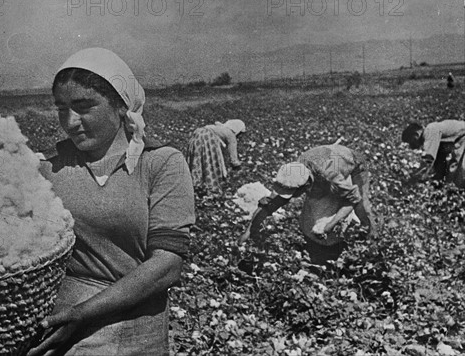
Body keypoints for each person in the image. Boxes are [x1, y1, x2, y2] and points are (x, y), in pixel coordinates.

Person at [27, 48, 196, 356]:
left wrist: (83, 313)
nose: (70, 122)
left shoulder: (160, 164)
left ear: (120, 106)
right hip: (63, 336)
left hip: (134, 335)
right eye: (61, 108)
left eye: (83, 107)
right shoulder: (48, 170)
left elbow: (167, 265)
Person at [238, 144, 376, 265]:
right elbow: (271, 203)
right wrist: (249, 231)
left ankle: (371, 240)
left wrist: (328, 227)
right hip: (326, 161)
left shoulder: (330, 174)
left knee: (362, 206)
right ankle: (321, 247)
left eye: (293, 192)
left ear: (307, 184)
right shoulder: (294, 171)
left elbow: (352, 200)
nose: (291, 197)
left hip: (353, 162)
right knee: (313, 212)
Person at [185, 119, 246, 194]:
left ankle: (195, 181)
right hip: (207, 136)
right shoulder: (230, 134)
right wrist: (236, 164)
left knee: (198, 158)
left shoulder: (220, 128)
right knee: (209, 161)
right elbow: (232, 152)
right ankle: (210, 185)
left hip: (197, 133)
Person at [401, 120, 465, 187]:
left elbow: (428, 159)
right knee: (453, 175)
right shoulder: (433, 136)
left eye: (411, 141)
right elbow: (439, 160)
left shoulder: (430, 131)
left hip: (462, 138)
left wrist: (414, 178)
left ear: (416, 134)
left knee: (460, 173)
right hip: (459, 141)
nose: (412, 146)